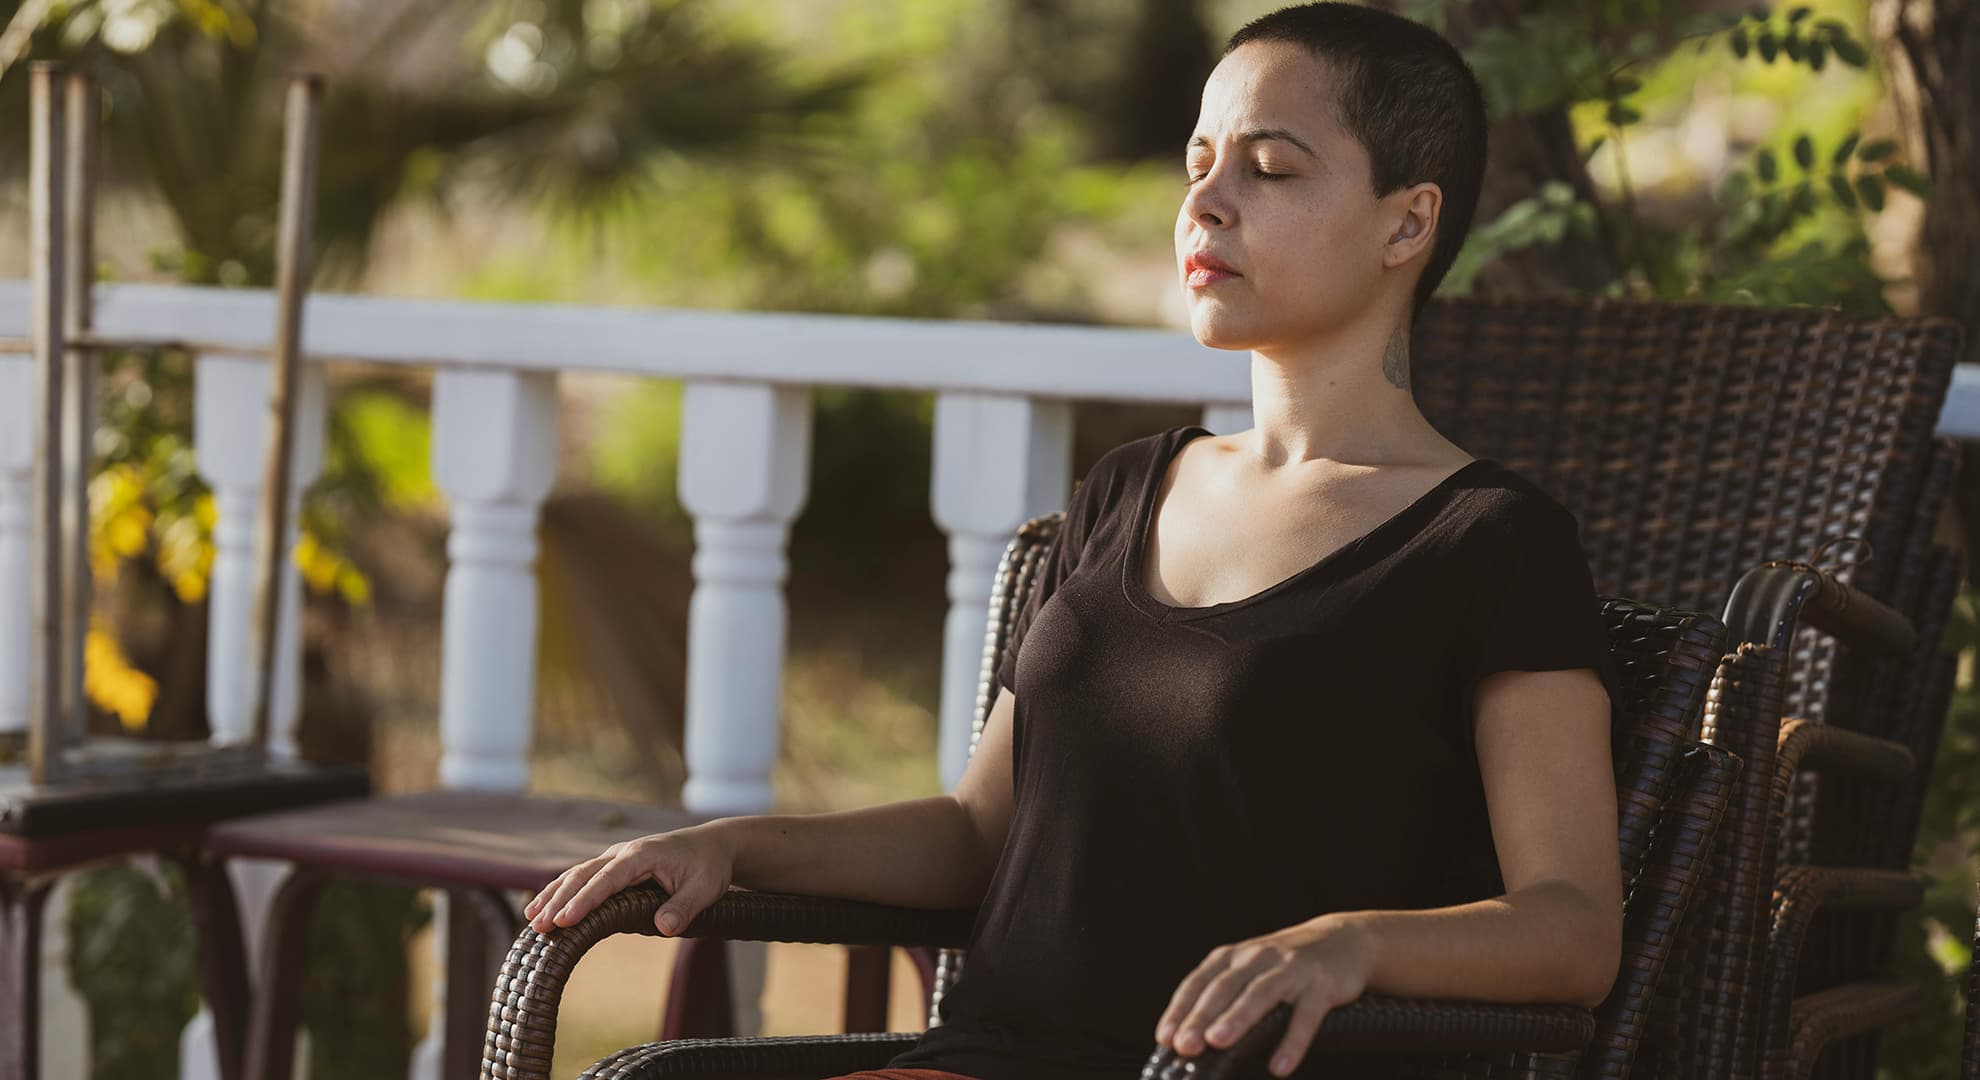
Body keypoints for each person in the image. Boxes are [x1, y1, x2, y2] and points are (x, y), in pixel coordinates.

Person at [523, 3, 1627, 1078]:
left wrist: (1352, 942)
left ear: (1407, 223)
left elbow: (1573, 929)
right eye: (1198, 161)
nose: (1207, 202)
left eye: (1271, 169)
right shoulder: (1127, 491)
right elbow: (976, 836)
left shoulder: (1491, 545)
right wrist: (732, 846)